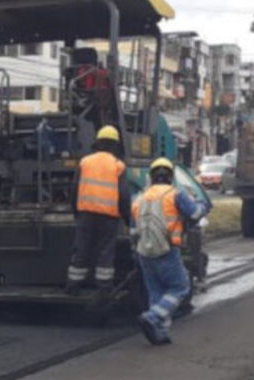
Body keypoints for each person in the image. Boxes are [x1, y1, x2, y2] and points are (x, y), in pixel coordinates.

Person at [132, 157, 210, 345]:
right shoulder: (175, 194)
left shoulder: (139, 198)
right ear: (170, 176)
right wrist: (202, 204)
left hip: (144, 252)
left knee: (156, 293)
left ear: (151, 176)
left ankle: (159, 333)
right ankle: (152, 317)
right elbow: (195, 214)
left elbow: (134, 228)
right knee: (180, 287)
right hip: (167, 250)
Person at [64, 125, 131, 296]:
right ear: (115, 145)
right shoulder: (118, 165)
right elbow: (123, 195)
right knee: (105, 251)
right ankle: (104, 287)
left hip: (86, 214)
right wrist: (127, 218)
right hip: (108, 217)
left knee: (81, 249)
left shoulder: (85, 162)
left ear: (98, 142)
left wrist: (76, 211)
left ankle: (73, 286)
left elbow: (75, 189)